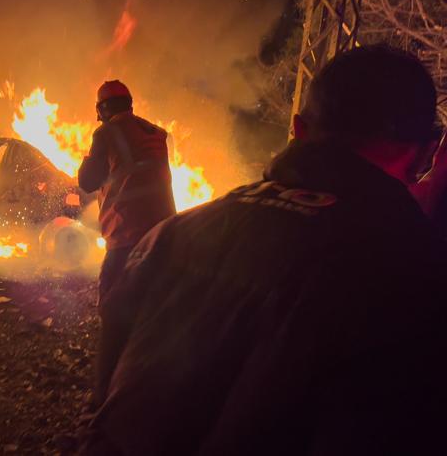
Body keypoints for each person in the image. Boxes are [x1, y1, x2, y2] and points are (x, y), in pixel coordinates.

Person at [84, 45, 447, 455]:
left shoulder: (172, 237)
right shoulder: (416, 275)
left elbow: (107, 404)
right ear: (425, 154)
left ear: (299, 129)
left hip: (126, 231)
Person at [78, 80, 176, 404]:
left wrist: (86, 158)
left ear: (103, 109)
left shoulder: (105, 134)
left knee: (112, 311)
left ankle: (103, 399)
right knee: (153, 311)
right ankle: (149, 388)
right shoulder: (156, 133)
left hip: (126, 236)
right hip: (165, 233)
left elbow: (87, 181)